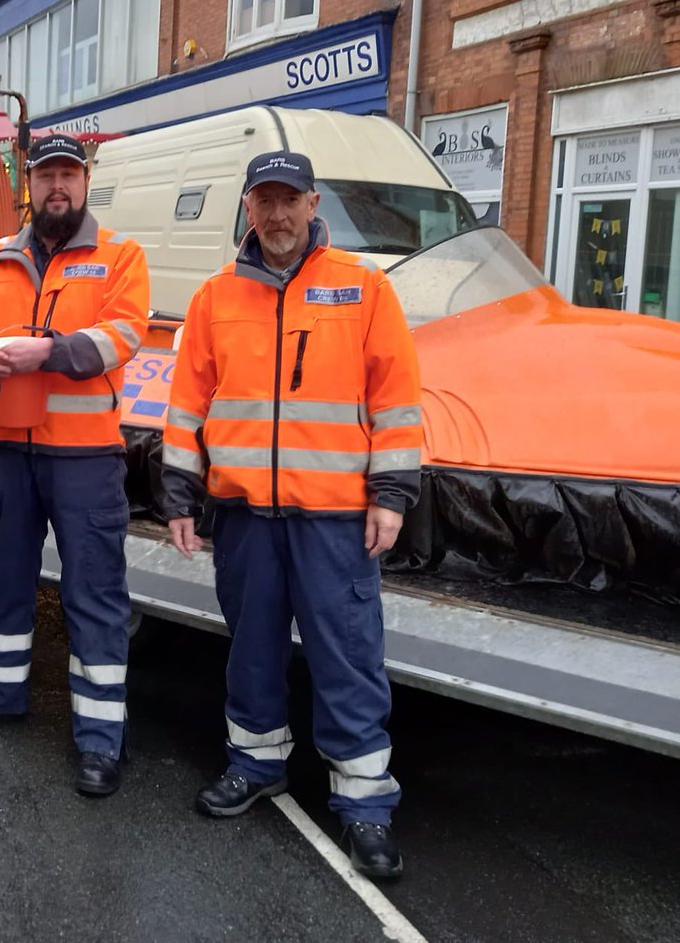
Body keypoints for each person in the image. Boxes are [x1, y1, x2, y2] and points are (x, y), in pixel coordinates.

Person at [161, 151, 422, 879]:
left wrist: (391, 495)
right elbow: (186, 405)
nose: (277, 215)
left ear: (314, 204)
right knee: (251, 648)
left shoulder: (363, 289)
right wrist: (179, 494)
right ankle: (255, 763)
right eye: (264, 201)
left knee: (347, 655)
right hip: (244, 515)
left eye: (290, 200)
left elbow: (397, 398)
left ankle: (366, 805)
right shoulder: (215, 298)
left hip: (335, 519)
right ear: (247, 208)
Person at [0, 134, 150, 797]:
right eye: (47, 175)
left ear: (85, 183)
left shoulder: (120, 255)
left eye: (68, 175)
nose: (58, 186)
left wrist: (46, 351)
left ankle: (100, 737)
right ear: (30, 184)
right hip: (8, 449)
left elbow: (123, 335)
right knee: (6, 578)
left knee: (95, 593)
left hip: (84, 457)